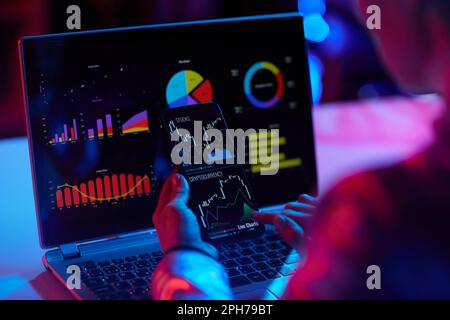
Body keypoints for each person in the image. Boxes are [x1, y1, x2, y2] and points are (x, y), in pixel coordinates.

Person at [151, 0, 450, 299]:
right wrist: (331, 255)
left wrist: (186, 256)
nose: (364, 11)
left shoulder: (378, 212)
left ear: (433, 19)